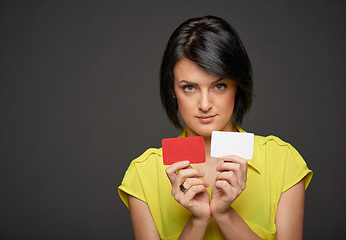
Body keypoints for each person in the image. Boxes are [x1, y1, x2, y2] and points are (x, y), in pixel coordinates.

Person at [118, 15, 312, 240]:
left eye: (219, 86)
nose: (205, 104)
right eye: (189, 88)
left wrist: (225, 215)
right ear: (172, 89)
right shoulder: (144, 174)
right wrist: (199, 220)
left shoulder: (282, 160)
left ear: (237, 86)